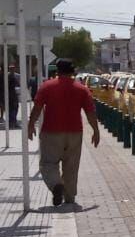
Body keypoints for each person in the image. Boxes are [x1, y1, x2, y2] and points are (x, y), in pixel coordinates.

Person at [27, 58, 100, 207]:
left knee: (48, 163)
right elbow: (90, 112)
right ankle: (69, 198)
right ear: (72, 71)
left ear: (57, 71)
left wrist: (30, 125)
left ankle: (56, 185)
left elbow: (37, 108)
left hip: (51, 132)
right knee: (71, 166)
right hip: (75, 132)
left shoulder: (47, 87)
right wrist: (96, 130)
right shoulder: (81, 89)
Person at [6, 62, 19, 127]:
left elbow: (20, 84)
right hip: (8, 94)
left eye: (13, 68)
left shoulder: (17, 76)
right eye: (10, 68)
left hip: (15, 94)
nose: (12, 69)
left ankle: (14, 121)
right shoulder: (6, 76)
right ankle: (11, 122)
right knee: (10, 109)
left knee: (16, 107)